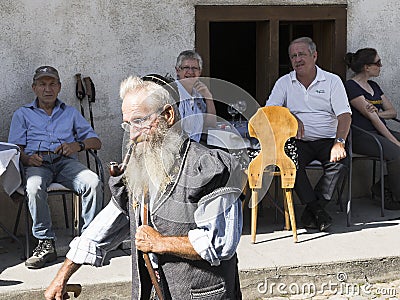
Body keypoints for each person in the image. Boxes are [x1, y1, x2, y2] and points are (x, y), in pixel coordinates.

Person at [45, 76, 245, 299]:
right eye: (128, 124)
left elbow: (221, 242)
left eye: (140, 121)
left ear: (168, 116)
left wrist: (160, 243)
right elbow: (100, 231)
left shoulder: (210, 167)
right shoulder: (138, 172)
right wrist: (62, 276)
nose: (132, 135)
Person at [8, 66, 103, 269]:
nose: (47, 89)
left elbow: (96, 141)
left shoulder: (70, 113)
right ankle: (45, 244)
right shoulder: (22, 114)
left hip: (65, 162)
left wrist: (77, 145)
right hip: (38, 164)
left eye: (52, 84)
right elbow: (15, 149)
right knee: (33, 187)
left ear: (59, 87)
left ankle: (89, 241)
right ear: (34, 88)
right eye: (42, 84)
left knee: (93, 182)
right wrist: (26, 158)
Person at [265, 37, 352, 232]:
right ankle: (317, 211)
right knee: (290, 164)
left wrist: (339, 143)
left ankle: (313, 210)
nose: (297, 59)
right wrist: (290, 116)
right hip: (297, 141)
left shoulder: (332, 81)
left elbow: (345, 115)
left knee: (340, 163)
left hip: (328, 139)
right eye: (293, 56)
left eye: (302, 54)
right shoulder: (284, 82)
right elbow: (269, 112)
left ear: (314, 56)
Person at [344, 48, 400, 210]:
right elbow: (372, 119)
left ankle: (383, 185)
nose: (381, 66)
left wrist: (379, 114)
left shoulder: (374, 86)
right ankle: (396, 197)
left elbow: (392, 112)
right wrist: (394, 141)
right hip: (361, 136)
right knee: (396, 154)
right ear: (366, 67)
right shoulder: (351, 87)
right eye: (378, 63)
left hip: (378, 131)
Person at [175, 50, 217, 142]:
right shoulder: (174, 93)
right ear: (177, 71)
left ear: (200, 72)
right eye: (186, 67)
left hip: (195, 150)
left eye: (195, 68)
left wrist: (208, 97)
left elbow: (210, 124)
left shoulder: (197, 94)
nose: (190, 72)